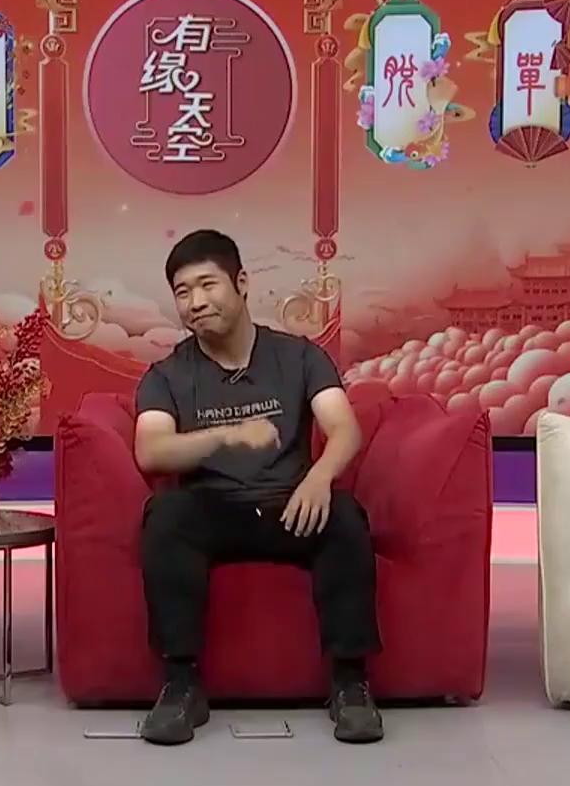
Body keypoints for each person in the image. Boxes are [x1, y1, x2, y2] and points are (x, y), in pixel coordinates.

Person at [131, 229, 382, 746]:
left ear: (241, 283)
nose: (196, 302)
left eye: (208, 285)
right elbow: (151, 451)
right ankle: (181, 685)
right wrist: (224, 436)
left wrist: (318, 477)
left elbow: (344, 428)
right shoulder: (167, 375)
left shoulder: (300, 357)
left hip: (292, 506)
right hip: (212, 510)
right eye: (182, 292)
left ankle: (350, 684)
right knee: (166, 515)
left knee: (344, 516)